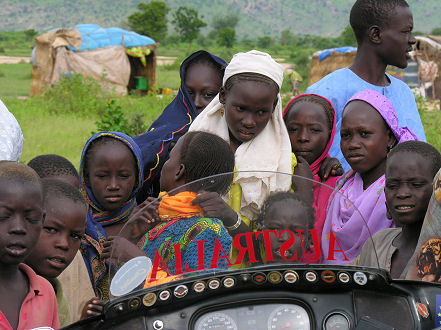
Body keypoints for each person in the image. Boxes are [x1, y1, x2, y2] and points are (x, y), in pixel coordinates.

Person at [306, 0, 426, 171]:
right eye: (406, 32)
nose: (412, 40)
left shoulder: (403, 92)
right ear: (376, 35)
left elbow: (420, 153)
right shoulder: (327, 93)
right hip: (340, 197)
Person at [321, 89, 419, 265]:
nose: (353, 144)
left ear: (389, 138)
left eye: (364, 134)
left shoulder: (398, 192)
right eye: (346, 135)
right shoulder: (342, 186)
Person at [137, 131, 234, 277]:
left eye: (169, 158)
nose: (164, 165)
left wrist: (133, 257)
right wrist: (131, 233)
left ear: (179, 171)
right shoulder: (159, 218)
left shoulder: (209, 231)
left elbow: (201, 290)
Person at [134, 51, 226, 201]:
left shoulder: (236, 129)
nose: (196, 102)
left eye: (208, 94)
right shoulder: (172, 126)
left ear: (223, 94)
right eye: (189, 93)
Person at [355, 141, 441, 278]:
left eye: (416, 184)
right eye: (393, 185)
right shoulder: (377, 244)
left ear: (437, 190)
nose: (402, 193)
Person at [28, 153, 92, 322]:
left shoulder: (52, 291)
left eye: (75, 236)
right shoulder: (12, 286)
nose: (64, 244)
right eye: (50, 229)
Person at [79, 131, 144, 300]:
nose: (113, 185)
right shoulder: (75, 225)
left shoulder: (147, 222)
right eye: (102, 176)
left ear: (138, 178)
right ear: (86, 178)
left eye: (123, 176)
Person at [0, 161, 59, 330]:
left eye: (31, 218)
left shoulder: (45, 291)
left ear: (42, 220)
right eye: (3, 216)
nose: (18, 228)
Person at [283, 94, 341, 239]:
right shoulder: (268, 173)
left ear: (330, 134)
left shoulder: (337, 182)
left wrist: (304, 190)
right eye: (293, 129)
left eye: (314, 130)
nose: (303, 137)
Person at [256, 192, 316, 264]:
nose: (285, 238)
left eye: (296, 232)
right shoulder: (245, 275)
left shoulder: (319, 275)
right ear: (260, 232)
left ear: (308, 239)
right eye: (275, 229)